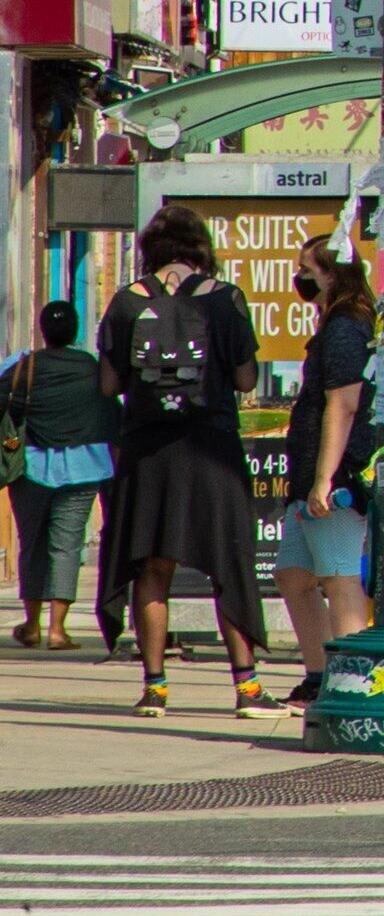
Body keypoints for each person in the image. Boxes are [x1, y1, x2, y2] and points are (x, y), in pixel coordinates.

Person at [95, 204, 268, 718]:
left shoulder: (126, 303)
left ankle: (155, 688)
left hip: (148, 452)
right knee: (228, 565)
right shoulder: (225, 299)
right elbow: (245, 381)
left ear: (151, 251)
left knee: (152, 567)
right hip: (212, 449)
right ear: (200, 250)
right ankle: (248, 689)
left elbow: (108, 385)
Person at [272, 236, 379, 707]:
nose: (301, 279)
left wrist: (325, 478)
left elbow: (344, 404)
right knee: (293, 574)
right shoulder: (333, 326)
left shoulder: (344, 330)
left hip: (336, 477)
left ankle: (353, 682)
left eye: (307, 270)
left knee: (338, 575)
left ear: (332, 275)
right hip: (311, 474)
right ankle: (319, 674)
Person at [6, 303, 116, 650]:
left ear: (42, 330)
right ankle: (58, 630)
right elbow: (112, 411)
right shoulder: (90, 367)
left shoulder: (25, 365)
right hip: (82, 468)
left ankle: (33, 624)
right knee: (67, 547)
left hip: (30, 469)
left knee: (31, 545)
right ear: (75, 331)